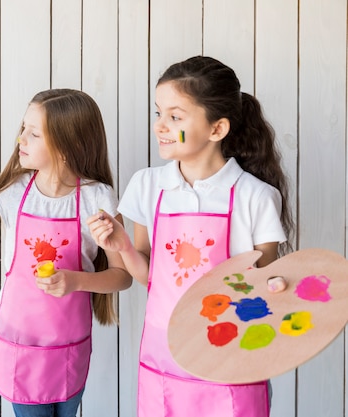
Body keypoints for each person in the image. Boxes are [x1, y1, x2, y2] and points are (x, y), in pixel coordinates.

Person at [88, 56, 294, 417]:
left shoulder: (254, 196)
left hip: (231, 360)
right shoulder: (148, 186)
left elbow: (264, 286)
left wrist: (278, 286)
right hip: (164, 358)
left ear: (217, 130)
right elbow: (149, 277)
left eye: (175, 116)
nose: (160, 126)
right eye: (158, 113)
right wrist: (121, 246)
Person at [0, 88, 132, 417]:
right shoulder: (15, 192)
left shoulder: (97, 197)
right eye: (23, 128)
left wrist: (75, 281)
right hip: (20, 344)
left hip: (70, 345)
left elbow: (122, 277)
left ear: (69, 145)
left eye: (34, 133)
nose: (21, 138)